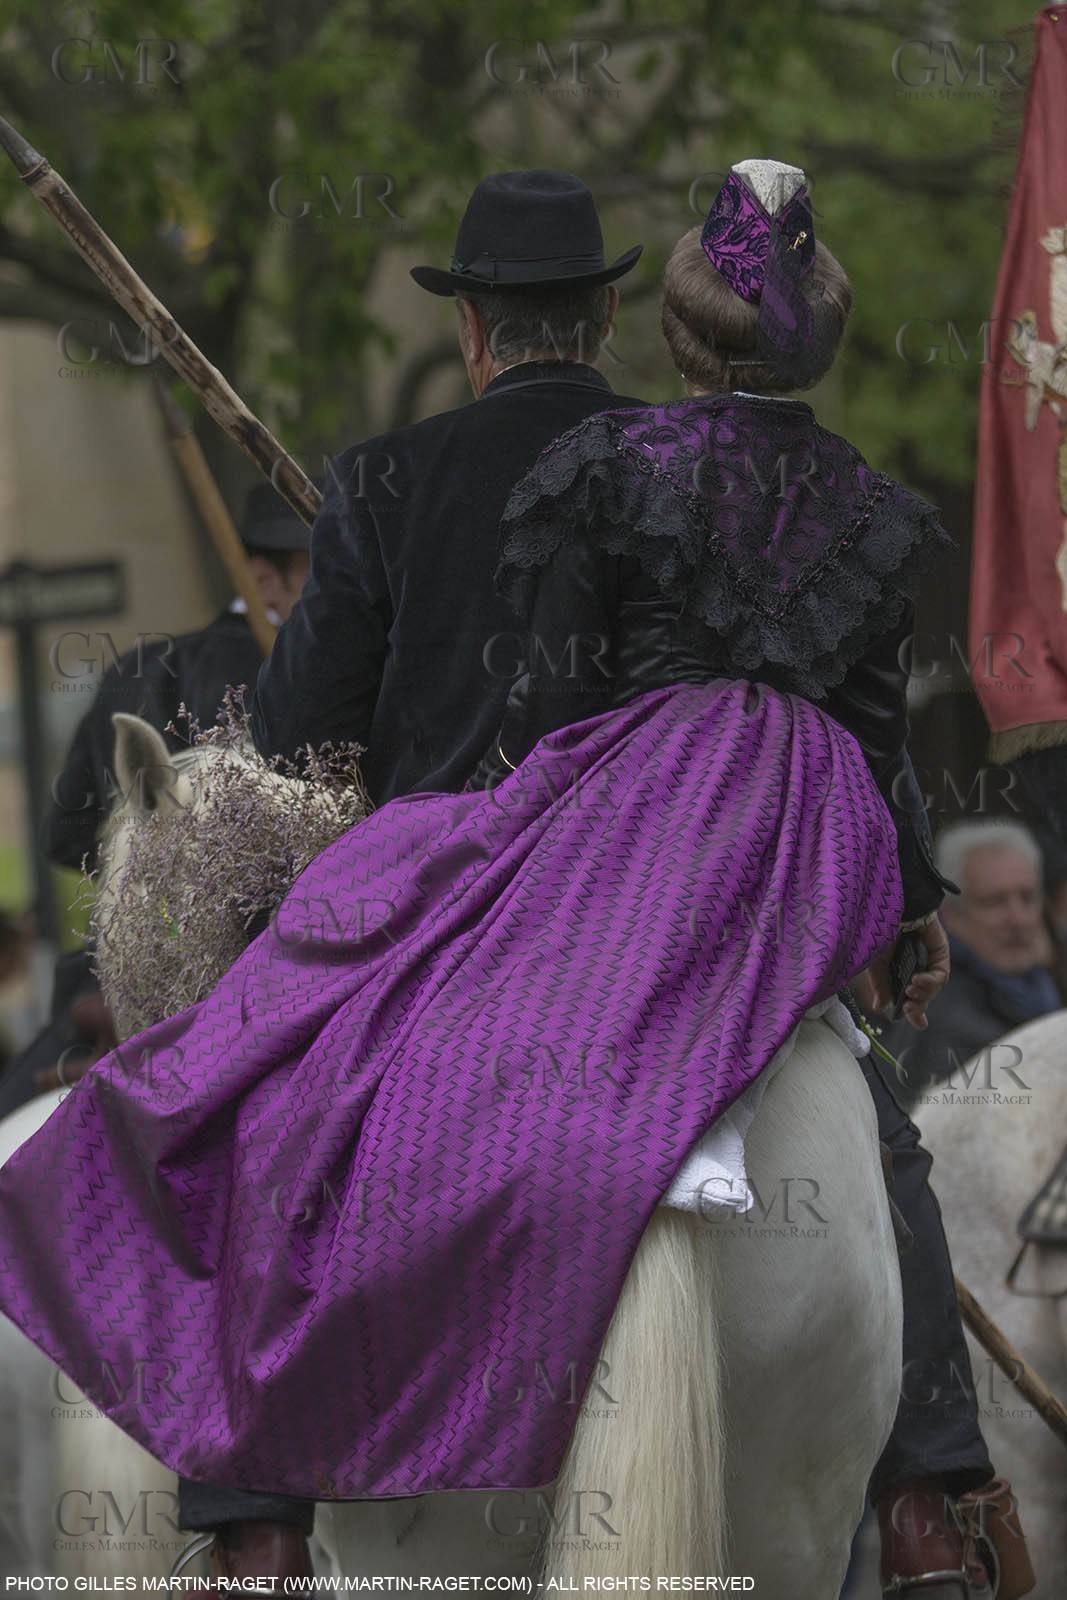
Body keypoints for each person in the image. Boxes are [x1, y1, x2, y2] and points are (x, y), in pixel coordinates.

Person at [0, 169, 1016, 1600]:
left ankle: (258, 1510)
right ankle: (927, 1490)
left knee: (274, 1108)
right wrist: (900, 899)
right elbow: (856, 733)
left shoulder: (406, 481)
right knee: (875, 1135)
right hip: (750, 885)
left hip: (539, 868)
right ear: (604, 317)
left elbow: (329, 734)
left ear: (473, 326)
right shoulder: (785, 485)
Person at [44, 481, 312, 873]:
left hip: (138, 924)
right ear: (262, 581)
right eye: (322, 574)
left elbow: (68, 838)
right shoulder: (302, 675)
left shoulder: (133, 667)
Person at [886, 819, 1062, 1103]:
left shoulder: (1040, 992)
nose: (1017, 919)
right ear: (951, 915)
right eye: (995, 902)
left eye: (1027, 898)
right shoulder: (941, 1027)